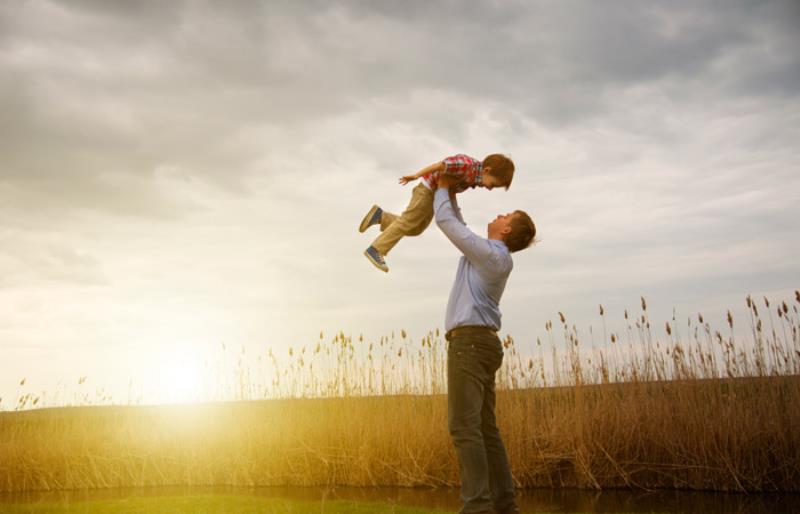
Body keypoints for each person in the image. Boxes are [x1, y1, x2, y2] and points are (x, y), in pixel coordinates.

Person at [434, 172, 536, 514]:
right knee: (485, 429)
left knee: (464, 427)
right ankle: (505, 506)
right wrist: (452, 194)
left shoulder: (492, 256)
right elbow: (460, 223)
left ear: (507, 230)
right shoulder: (490, 254)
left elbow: (447, 222)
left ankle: (477, 507)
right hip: (482, 344)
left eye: (505, 215)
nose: (498, 215)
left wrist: (443, 186)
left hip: (470, 345)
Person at [358, 153, 515, 272]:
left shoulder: (472, 179)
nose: (489, 188)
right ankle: (376, 249)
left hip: (434, 195)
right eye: (493, 184)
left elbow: (451, 194)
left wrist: (460, 222)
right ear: (487, 170)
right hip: (426, 190)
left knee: (416, 228)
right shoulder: (466, 165)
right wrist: (416, 175)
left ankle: (381, 216)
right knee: (407, 222)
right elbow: (440, 165)